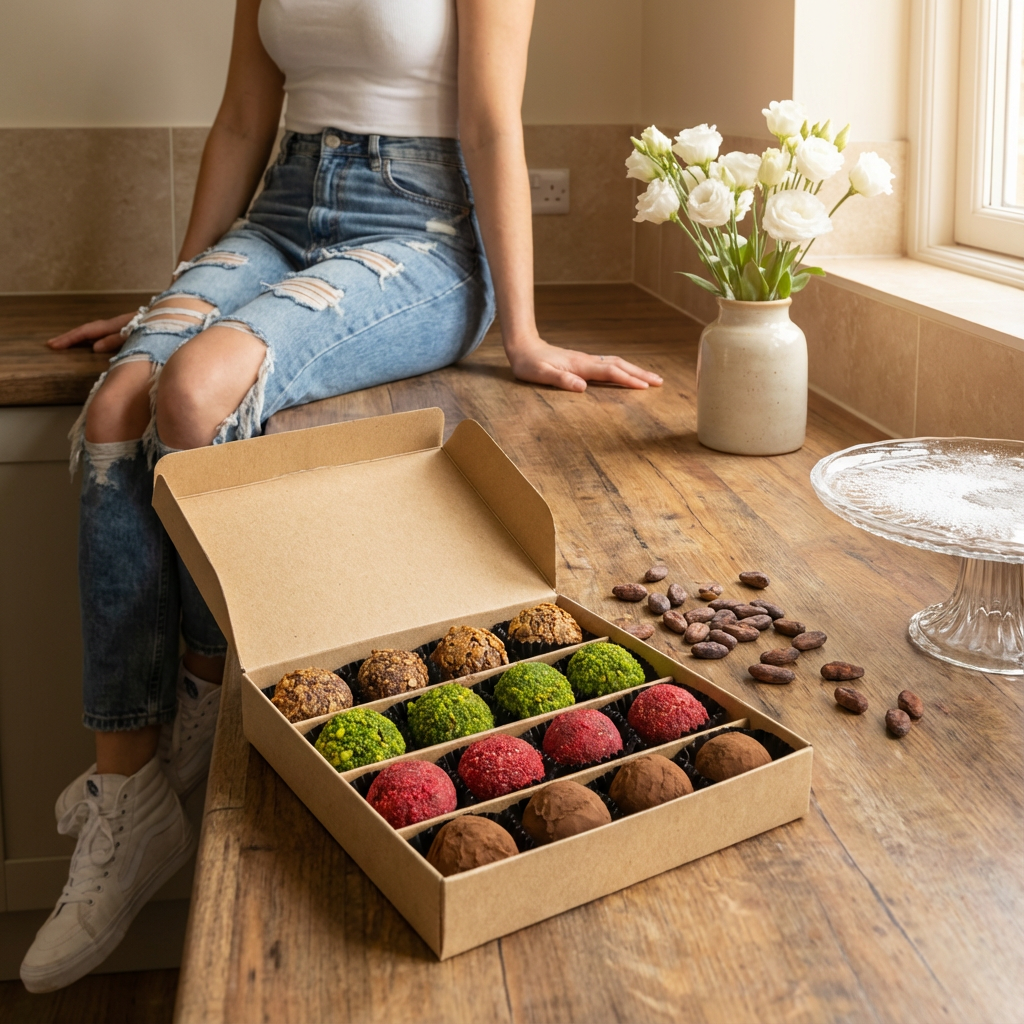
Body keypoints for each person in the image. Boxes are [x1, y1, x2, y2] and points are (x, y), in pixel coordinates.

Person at [20, 0, 662, 992]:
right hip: (281, 213)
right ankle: (128, 790)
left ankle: (196, 683)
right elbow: (243, 117)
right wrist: (179, 294)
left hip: (420, 234)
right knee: (122, 398)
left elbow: (494, 122)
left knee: (194, 392)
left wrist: (523, 335)